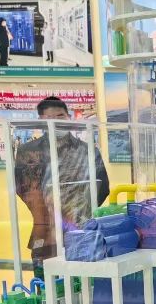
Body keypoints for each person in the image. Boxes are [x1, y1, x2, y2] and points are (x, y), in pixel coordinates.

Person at [14, 96, 110, 271]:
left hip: (81, 229)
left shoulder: (87, 150)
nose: (56, 122)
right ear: (41, 121)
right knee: (46, 280)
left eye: (60, 116)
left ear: (69, 117)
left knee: (82, 278)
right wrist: (47, 214)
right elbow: (22, 188)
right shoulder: (28, 151)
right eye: (49, 118)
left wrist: (80, 212)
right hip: (45, 229)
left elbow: (102, 187)